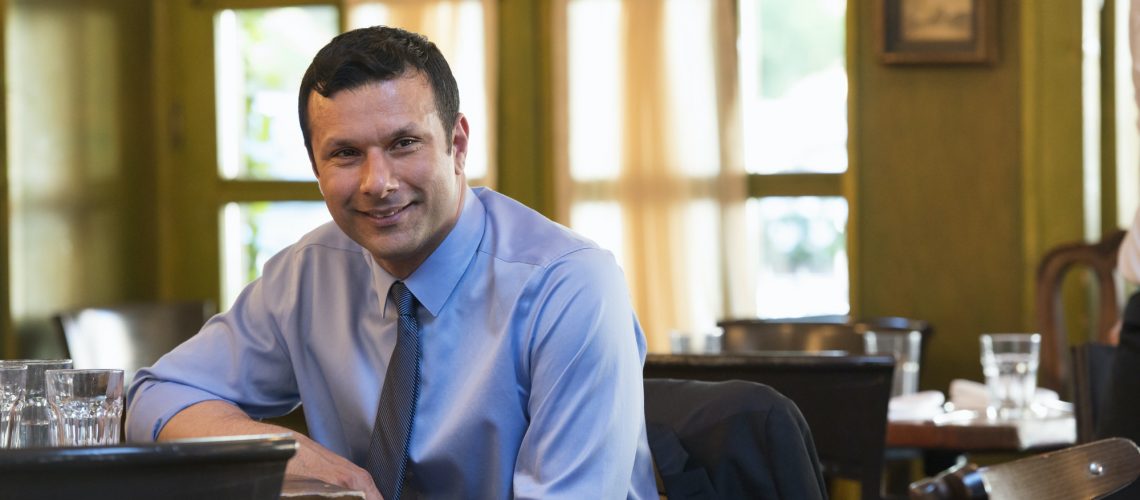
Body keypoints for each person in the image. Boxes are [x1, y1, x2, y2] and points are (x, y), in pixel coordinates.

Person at [126, 26, 657, 500]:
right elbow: (155, 397)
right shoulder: (308, 272)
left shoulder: (571, 286)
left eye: (404, 144)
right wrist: (311, 465)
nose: (377, 183)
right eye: (345, 154)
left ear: (457, 144)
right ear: (315, 165)